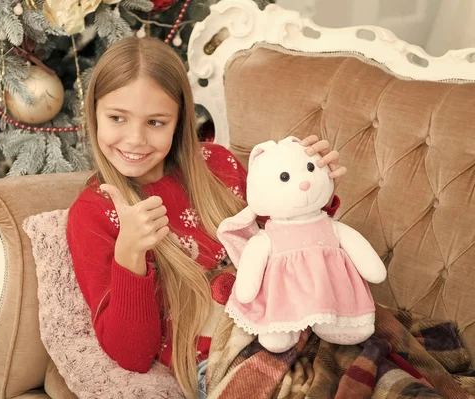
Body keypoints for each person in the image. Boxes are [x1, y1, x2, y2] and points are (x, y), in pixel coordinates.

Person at [66, 36, 346, 399]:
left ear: (179, 120)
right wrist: (130, 253)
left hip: (296, 323)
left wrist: (313, 191)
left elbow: (285, 243)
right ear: (94, 115)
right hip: (222, 364)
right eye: (117, 118)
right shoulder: (92, 214)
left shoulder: (217, 163)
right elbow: (132, 356)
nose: (135, 139)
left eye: (155, 122)